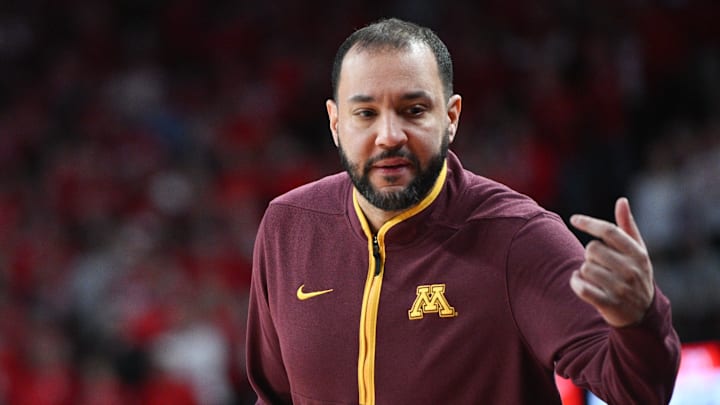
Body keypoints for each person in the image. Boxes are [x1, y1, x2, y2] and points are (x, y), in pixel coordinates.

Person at [245, 18, 681, 404]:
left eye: (413, 110)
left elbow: (638, 393)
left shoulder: (520, 238)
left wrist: (640, 321)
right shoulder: (288, 227)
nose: (389, 135)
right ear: (336, 122)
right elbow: (274, 395)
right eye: (365, 113)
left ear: (451, 117)